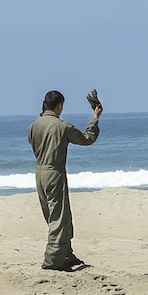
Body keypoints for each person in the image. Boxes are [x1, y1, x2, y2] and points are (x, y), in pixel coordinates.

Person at [28, 90, 102, 271]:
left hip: (39, 173)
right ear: (59, 106)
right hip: (55, 173)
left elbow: (34, 144)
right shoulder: (62, 126)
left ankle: (66, 255)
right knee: (59, 219)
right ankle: (53, 261)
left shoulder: (34, 125)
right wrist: (95, 118)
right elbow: (87, 139)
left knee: (53, 216)